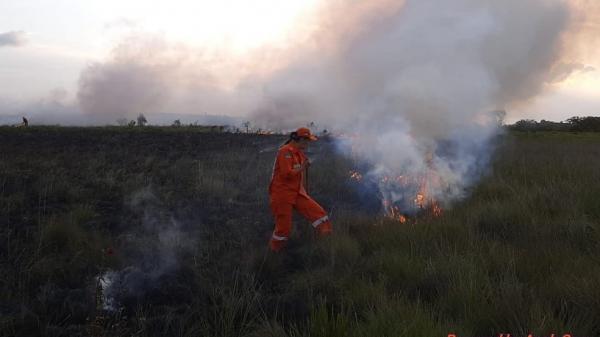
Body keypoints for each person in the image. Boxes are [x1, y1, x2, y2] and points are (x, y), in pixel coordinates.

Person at [268, 127, 332, 252]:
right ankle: (275, 253)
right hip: (282, 194)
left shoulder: (298, 153)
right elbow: (287, 174)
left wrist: (304, 165)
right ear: (301, 139)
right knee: (283, 229)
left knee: (320, 215)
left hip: (297, 192)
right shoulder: (284, 151)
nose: (308, 144)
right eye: (307, 141)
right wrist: (302, 167)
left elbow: (299, 171)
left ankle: (326, 245)